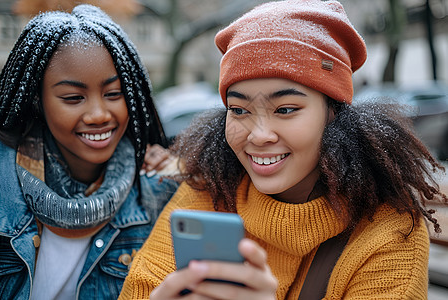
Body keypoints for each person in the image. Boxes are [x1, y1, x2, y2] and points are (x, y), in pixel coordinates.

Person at [119, 0, 448, 299]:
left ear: (333, 113)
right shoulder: (208, 193)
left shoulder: (389, 231)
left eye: (286, 109)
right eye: (239, 110)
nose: (259, 135)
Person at [0, 4, 179, 300]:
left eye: (113, 94)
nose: (98, 114)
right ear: (36, 100)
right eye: (73, 98)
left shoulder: (157, 190)